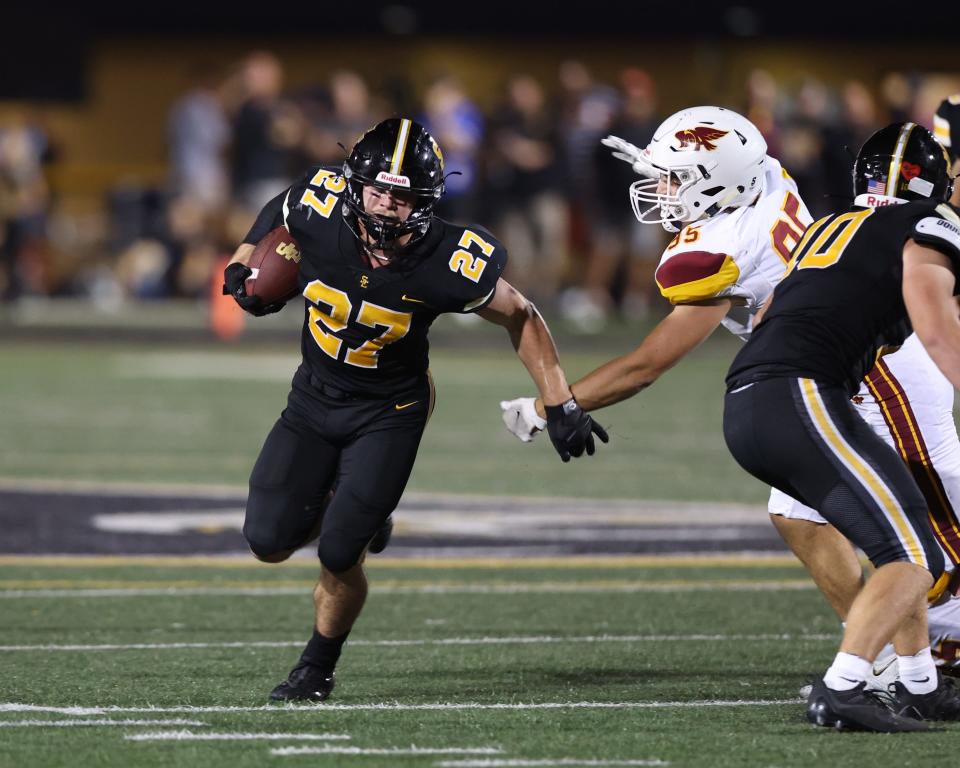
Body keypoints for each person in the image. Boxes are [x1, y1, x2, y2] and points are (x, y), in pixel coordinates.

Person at [499, 106, 960, 682]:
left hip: (881, 371)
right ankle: (891, 657)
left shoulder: (720, 249)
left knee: (932, 525)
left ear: (720, 180)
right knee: (797, 515)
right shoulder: (765, 175)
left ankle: (938, 645)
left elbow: (648, 364)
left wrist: (555, 407)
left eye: (675, 179)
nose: (662, 191)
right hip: (822, 370)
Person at [222, 117, 607, 702]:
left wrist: (558, 399)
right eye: (377, 190)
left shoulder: (446, 256)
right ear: (354, 184)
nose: (385, 206)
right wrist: (246, 256)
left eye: (402, 197)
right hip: (312, 398)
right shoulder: (321, 209)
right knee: (268, 541)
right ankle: (355, 505)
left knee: (339, 551)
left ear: (426, 201)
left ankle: (316, 666)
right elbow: (283, 204)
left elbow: (520, 314)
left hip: (390, 408)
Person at [724, 121, 960, 732]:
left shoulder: (825, 228)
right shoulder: (926, 225)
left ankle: (920, 685)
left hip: (755, 397)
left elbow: (774, 313)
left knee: (901, 543)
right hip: (798, 392)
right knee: (912, 553)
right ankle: (843, 687)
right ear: (932, 183)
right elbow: (935, 328)